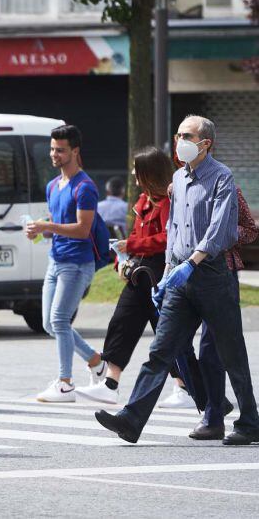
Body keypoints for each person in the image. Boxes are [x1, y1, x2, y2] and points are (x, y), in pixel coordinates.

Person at [95, 115, 259, 445]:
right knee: (161, 351)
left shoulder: (222, 178)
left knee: (230, 353)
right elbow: (174, 232)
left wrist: (194, 261)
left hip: (212, 275)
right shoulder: (178, 181)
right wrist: (169, 274)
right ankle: (132, 418)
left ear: (205, 143)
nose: (179, 140)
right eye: (179, 134)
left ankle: (250, 420)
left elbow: (219, 230)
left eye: (187, 135)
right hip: (180, 278)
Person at [75, 147, 193, 404]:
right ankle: (110, 383)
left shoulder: (168, 203)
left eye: (137, 172)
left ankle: (184, 386)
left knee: (166, 332)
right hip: (139, 273)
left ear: (150, 174)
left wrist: (132, 246)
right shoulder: (142, 201)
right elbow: (137, 238)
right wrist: (123, 256)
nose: (133, 176)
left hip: (161, 274)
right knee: (122, 322)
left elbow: (167, 240)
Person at [25, 124, 107, 402]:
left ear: (74, 151)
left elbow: (83, 229)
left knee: (59, 320)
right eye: (52, 149)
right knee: (50, 324)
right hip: (56, 260)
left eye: (60, 150)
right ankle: (96, 361)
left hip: (77, 263)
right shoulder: (52, 186)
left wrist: (50, 225)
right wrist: (40, 230)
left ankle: (65, 382)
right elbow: (58, 224)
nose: (54, 154)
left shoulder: (85, 187)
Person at [173, 177, 258, 439]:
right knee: (175, 343)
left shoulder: (228, 187)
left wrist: (224, 233)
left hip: (221, 275)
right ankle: (215, 409)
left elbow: (250, 230)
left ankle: (222, 417)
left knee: (217, 349)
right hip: (187, 276)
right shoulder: (179, 187)